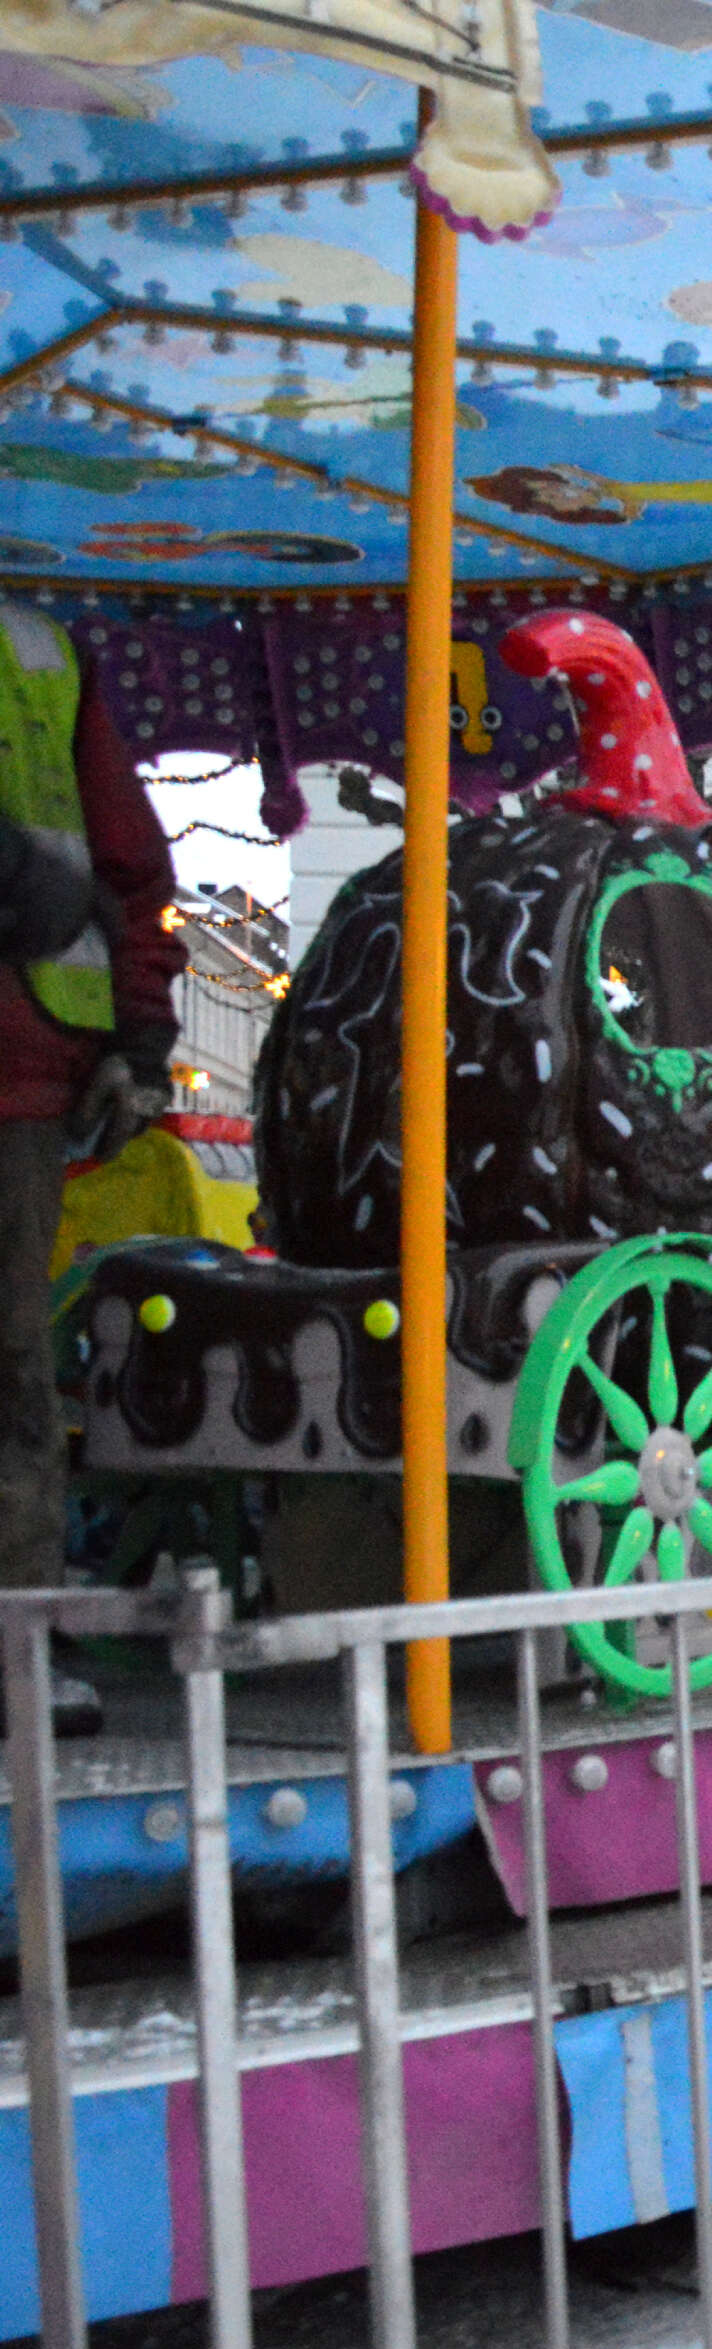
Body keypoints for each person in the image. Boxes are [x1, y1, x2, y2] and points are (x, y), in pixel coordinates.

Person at [0, 601, 183, 1736]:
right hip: (24, 1061)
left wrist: (142, 1032)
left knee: (13, 1367)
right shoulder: (40, 651)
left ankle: (17, 1639)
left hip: (20, 1070)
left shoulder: (41, 654)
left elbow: (123, 865)